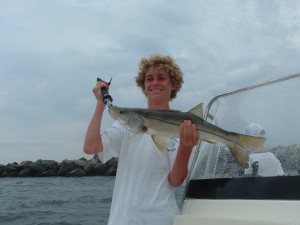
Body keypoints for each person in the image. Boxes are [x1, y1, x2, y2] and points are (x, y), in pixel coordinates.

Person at [83, 54, 199, 225]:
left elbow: (175, 180)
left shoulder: (186, 127)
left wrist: (186, 147)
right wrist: (100, 104)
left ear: (173, 84)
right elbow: (91, 147)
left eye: (161, 78)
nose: (154, 83)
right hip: (123, 220)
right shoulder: (124, 126)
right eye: (149, 79)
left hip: (163, 219)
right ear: (143, 86)